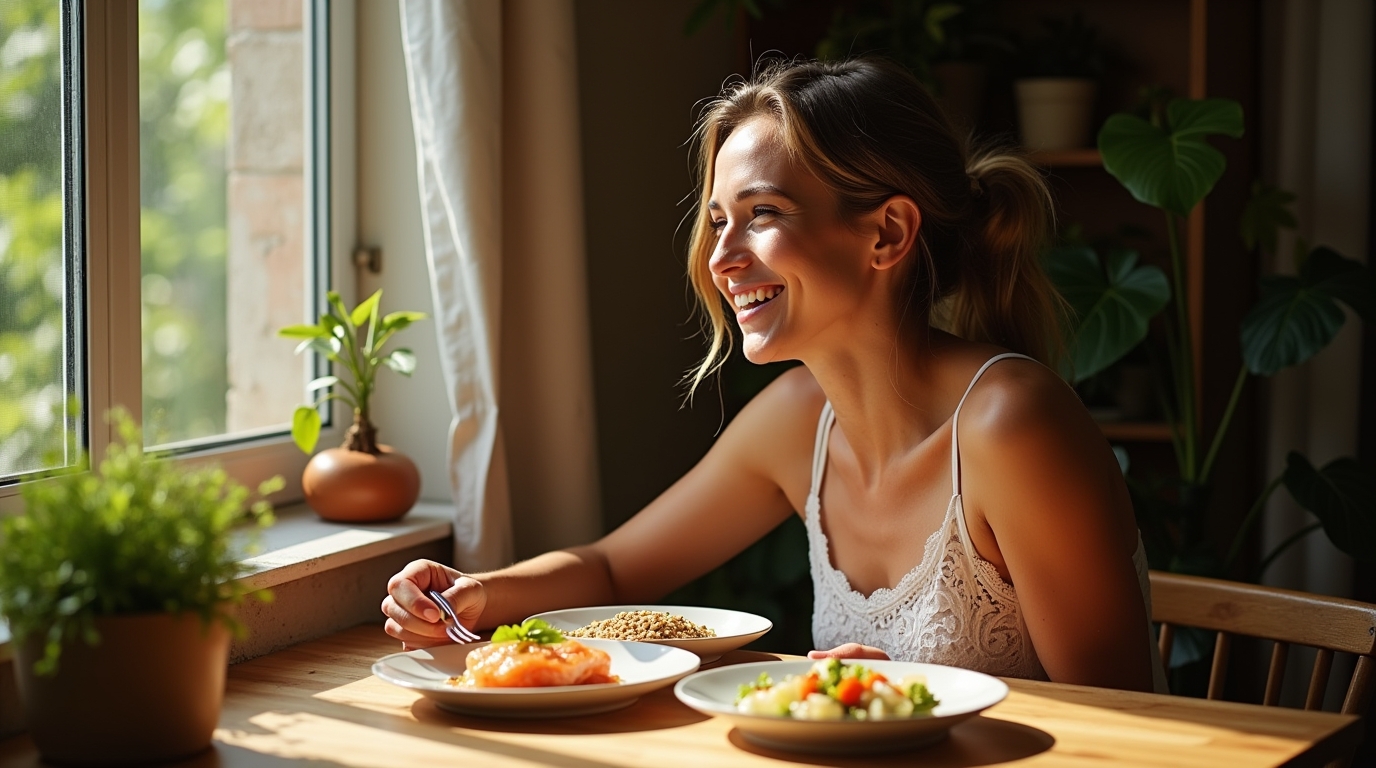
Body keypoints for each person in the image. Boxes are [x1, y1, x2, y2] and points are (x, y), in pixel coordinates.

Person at [383, 57, 1166, 693]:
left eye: (762, 214)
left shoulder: (1011, 425)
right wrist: (480, 594)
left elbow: (1123, 726)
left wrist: (903, 701)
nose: (720, 258)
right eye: (719, 220)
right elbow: (616, 566)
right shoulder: (800, 420)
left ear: (887, 233)